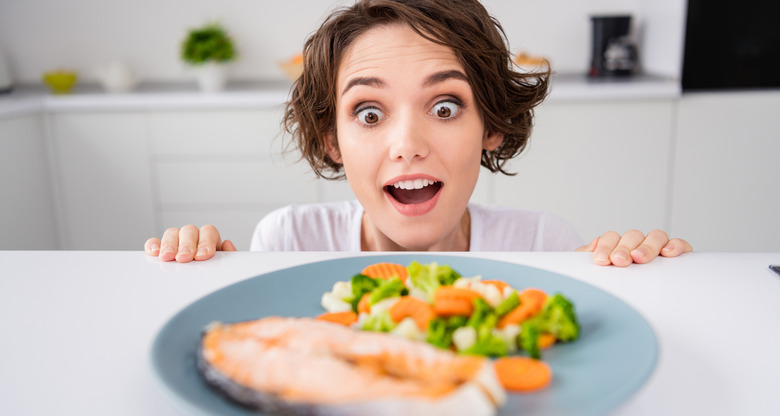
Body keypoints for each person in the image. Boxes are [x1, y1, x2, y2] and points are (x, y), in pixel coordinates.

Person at [144, 0, 691, 266]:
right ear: (331, 138)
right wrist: (200, 273)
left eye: (446, 107)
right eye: (369, 113)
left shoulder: (543, 247)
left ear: (492, 127)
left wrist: (644, 272)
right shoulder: (286, 245)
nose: (407, 144)